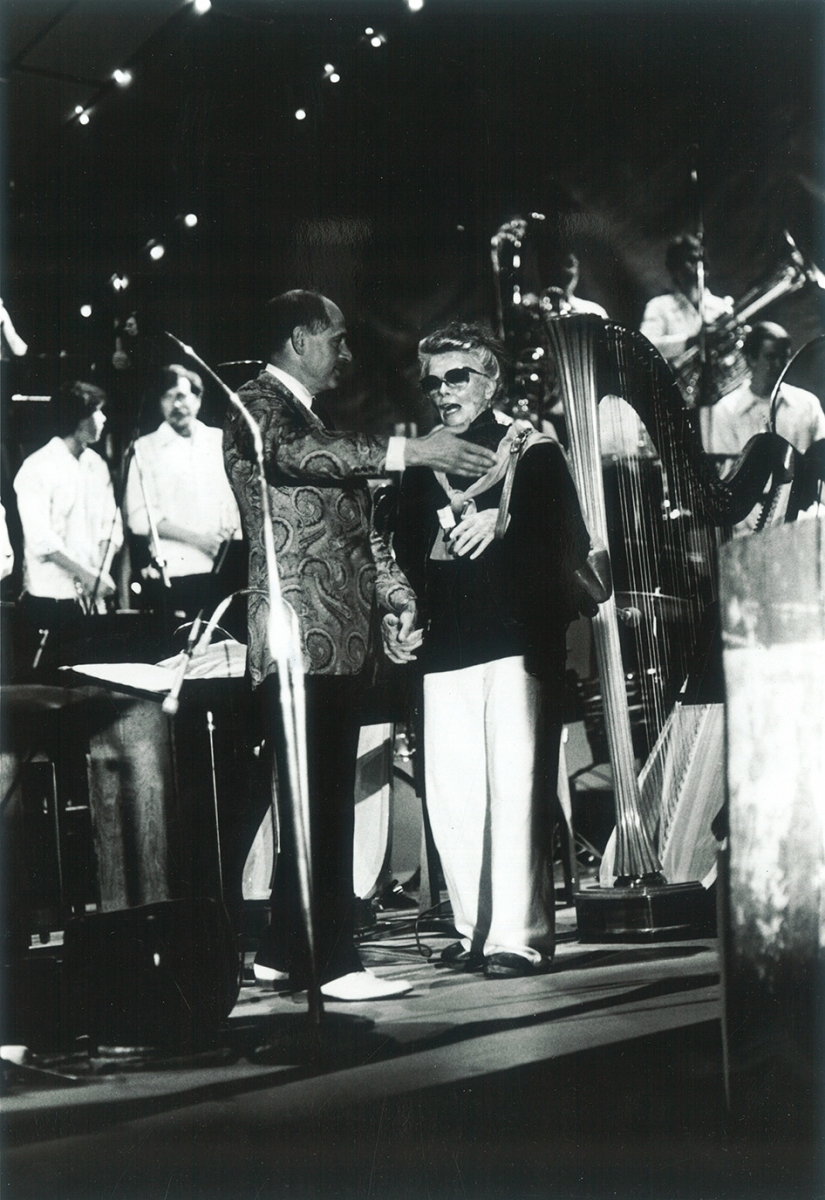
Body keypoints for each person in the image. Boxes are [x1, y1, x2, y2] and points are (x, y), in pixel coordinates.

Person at [223, 289, 498, 1003]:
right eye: (336, 338)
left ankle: (286, 952)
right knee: (316, 804)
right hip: (298, 640)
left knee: (322, 798)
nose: (346, 352)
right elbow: (298, 457)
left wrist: (398, 598)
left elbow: (358, 527)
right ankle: (331, 962)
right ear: (297, 338)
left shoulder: (315, 419)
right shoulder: (257, 405)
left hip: (338, 641)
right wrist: (415, 449)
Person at [386, 322, 593, 978]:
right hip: (444, 643)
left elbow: (569, 549)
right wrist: (398, 607)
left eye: (456, 377)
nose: (441, 392)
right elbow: (397, 548)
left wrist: (501, 525)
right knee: (451, 794)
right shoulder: (424, 457)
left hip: (513, 641)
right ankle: (473, 928)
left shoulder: (529, 449)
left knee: (514, 789)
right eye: (432, 381)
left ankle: (517, 936)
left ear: (491, 379)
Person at [13, 381, 122, 675]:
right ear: (79, 418)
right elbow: (41, 540)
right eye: (98, 412)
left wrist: (99, 574)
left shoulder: (96, 465)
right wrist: (87, 575)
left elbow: (110, 526)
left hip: (92, 601)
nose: (103, 419)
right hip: (52, 600)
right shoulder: (36, 467)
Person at [124, 364, 242, 629]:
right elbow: (140, 518)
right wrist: (198, 540)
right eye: (168, 397)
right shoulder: (145, 448)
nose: (176, 404)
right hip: (177, 574)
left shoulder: (220, 441)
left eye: (182, 395)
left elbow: (237, 500)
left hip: (225, 568)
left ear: (198, 399)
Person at [702, 321, 825, 467]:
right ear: (751, 359)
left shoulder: (807, 404)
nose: (779, 364)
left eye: (784, 357)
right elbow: (724, 474)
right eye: (771, 357)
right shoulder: (725, 410)